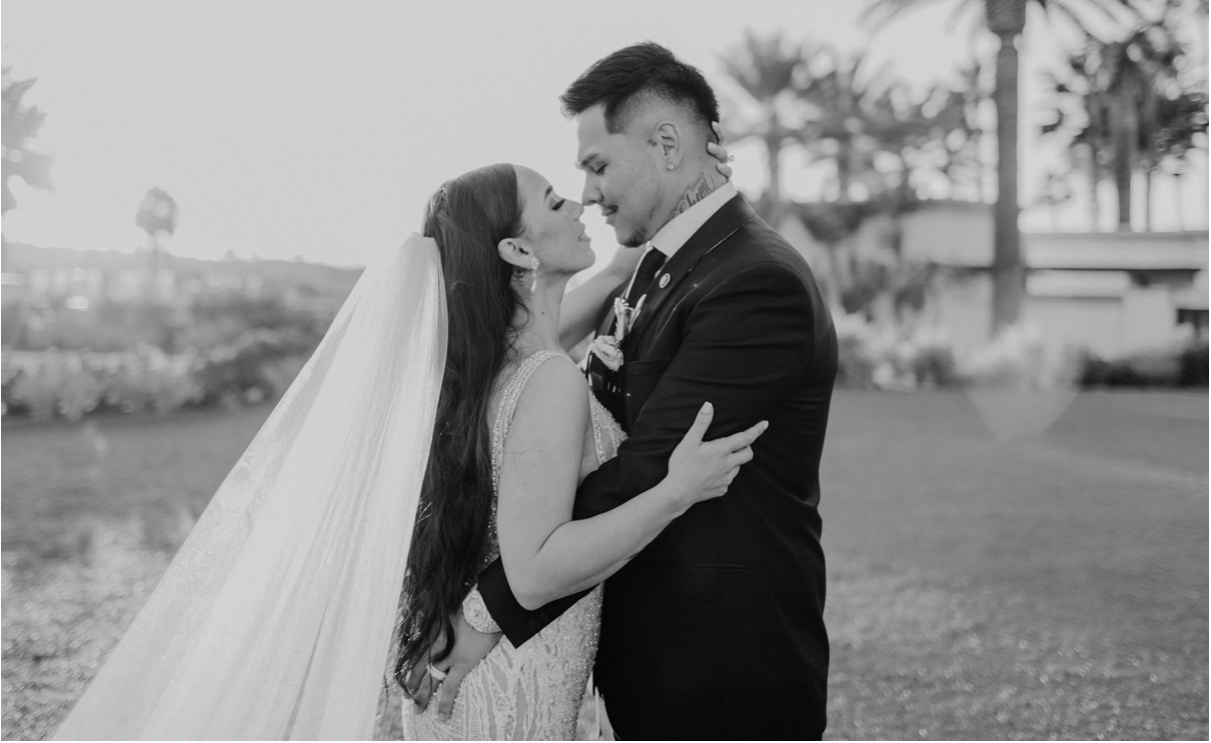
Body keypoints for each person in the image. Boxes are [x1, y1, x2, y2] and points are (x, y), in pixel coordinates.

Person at [50, 154, 754, 738]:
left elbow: (587, 294)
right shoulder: (545, 382)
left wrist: (690, 192)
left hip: (483, 668)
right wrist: (674, 492)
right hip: (514, 676)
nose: (577, 202)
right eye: (552, 200)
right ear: (516, 249)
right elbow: (535, 570)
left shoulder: (480, 367)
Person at [423, 42, 838, 740]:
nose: (587, 192)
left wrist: (481, 604)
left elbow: (645, 471)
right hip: (647, 654)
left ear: (666, 144)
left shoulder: (753, 282)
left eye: (597, 165)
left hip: (721, 667)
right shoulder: (656, 269)